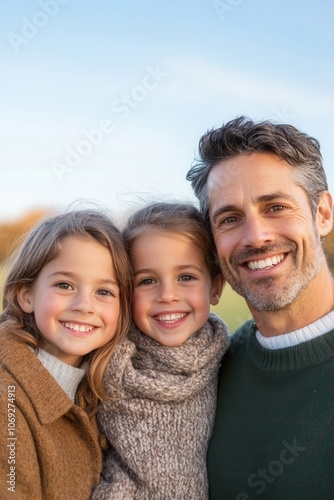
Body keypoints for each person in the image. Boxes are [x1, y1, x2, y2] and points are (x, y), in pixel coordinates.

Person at [186, 116, 334, 499]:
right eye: (230, 218)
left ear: (323, 214)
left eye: (276, 207)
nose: (256, 237)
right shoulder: (206, 375)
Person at [93, 202, 230, 500]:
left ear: (215, 287)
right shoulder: (105, 360)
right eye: (147, 281)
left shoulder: (228, 358)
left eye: (186, 277)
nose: (167, 295)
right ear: (126, 292)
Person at [0, 209, 132, 499]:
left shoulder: (104, 388)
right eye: (64, 285)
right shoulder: (7, 400)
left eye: (105, 292)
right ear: (26, 294)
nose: (85, 305)